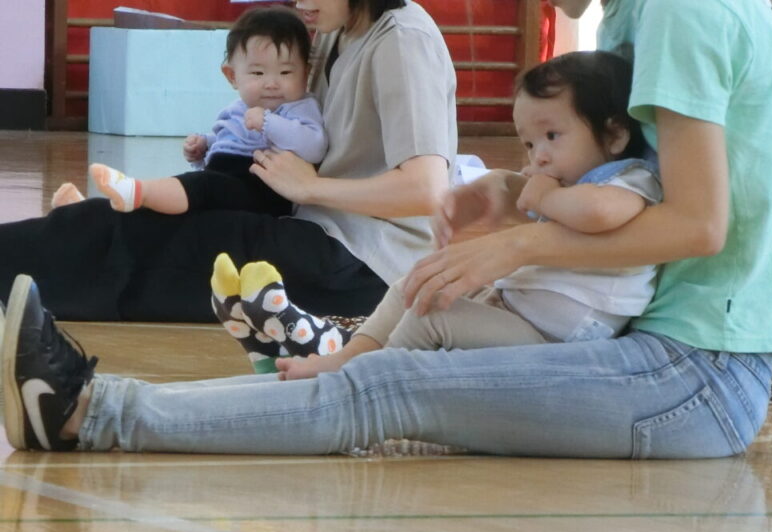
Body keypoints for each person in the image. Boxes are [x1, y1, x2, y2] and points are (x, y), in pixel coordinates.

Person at [3, 0, 772, 458]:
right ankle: (99, 399)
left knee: (385, 387)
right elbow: (624, 183)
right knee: (386, 351)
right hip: (647, 344)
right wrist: (509, 189)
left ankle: (87, 411)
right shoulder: (641, 16)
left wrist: (519, 242)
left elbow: (698, 225)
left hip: (693, 374)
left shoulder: (680, 13)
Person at [0, 0, 456, 340]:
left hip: (364, 263)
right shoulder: (338, 29)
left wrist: (313, 188)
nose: (300, 2)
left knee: (159, 246)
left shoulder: (402, 40)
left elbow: (427, 190)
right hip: (312, 223)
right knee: (151, 218)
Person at [267, 50, 663, 380]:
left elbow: (598, 213)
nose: (539, 156)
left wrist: (545, 197)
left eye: (552, 136)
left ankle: (365, 382)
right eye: (529, 143)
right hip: (516, 312)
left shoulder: (629, 179)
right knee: (416, 285)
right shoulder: (564, 182)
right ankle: (345, 359)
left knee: (429, 319)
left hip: (557, 343)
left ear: (614, 135)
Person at [53, 7, 326, 216]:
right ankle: (89, 214)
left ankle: (138, 191)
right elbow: (229, 142)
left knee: (196, 188)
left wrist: (269, 123)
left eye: (286, 72)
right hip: (223, 182)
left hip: (262, 191)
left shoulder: (298, 107)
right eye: (257, 73)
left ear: (306, 73)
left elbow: (314, 146)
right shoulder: (237, 109)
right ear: (232, 76)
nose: (272, 83)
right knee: (174, 211)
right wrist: (204, 146)